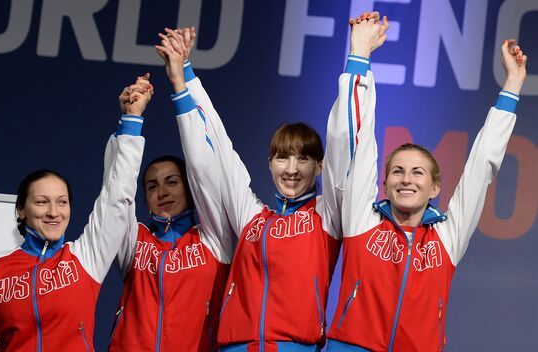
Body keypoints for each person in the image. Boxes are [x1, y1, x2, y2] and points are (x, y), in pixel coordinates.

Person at [155, 19, 387, 350]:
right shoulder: (252, 217)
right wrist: (183, 79)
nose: (291, 170)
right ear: (269, 163)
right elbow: (214, 152)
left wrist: (358, 57)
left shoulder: (327, 215)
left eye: (303, 159)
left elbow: (347, 143)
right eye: (282, 158)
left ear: (320, 165)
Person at [326, 13, 528, 352]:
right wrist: (360, 54)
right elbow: (357, 140)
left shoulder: (447, 237)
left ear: (435, 188)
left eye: (418, 172)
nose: (407, 179)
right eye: (397, 171)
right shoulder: (361, 221)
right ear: (384, 183)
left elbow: (481, 167)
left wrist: (513, 84)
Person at [0, 75, 151, 351]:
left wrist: (131, 121)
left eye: (62, 202)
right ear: (21, 210)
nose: (54, 212)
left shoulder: (84, 257)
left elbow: (116, 195)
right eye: (42, 202)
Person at [108, 37, 235, 352]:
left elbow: (203, 164)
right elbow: (116, 192)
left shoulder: (213, 239)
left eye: (172, 182)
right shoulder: (134, 241)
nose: (162, 191)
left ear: (189, 188)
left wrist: (180, 82)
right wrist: (131, 119)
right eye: (152, 185)